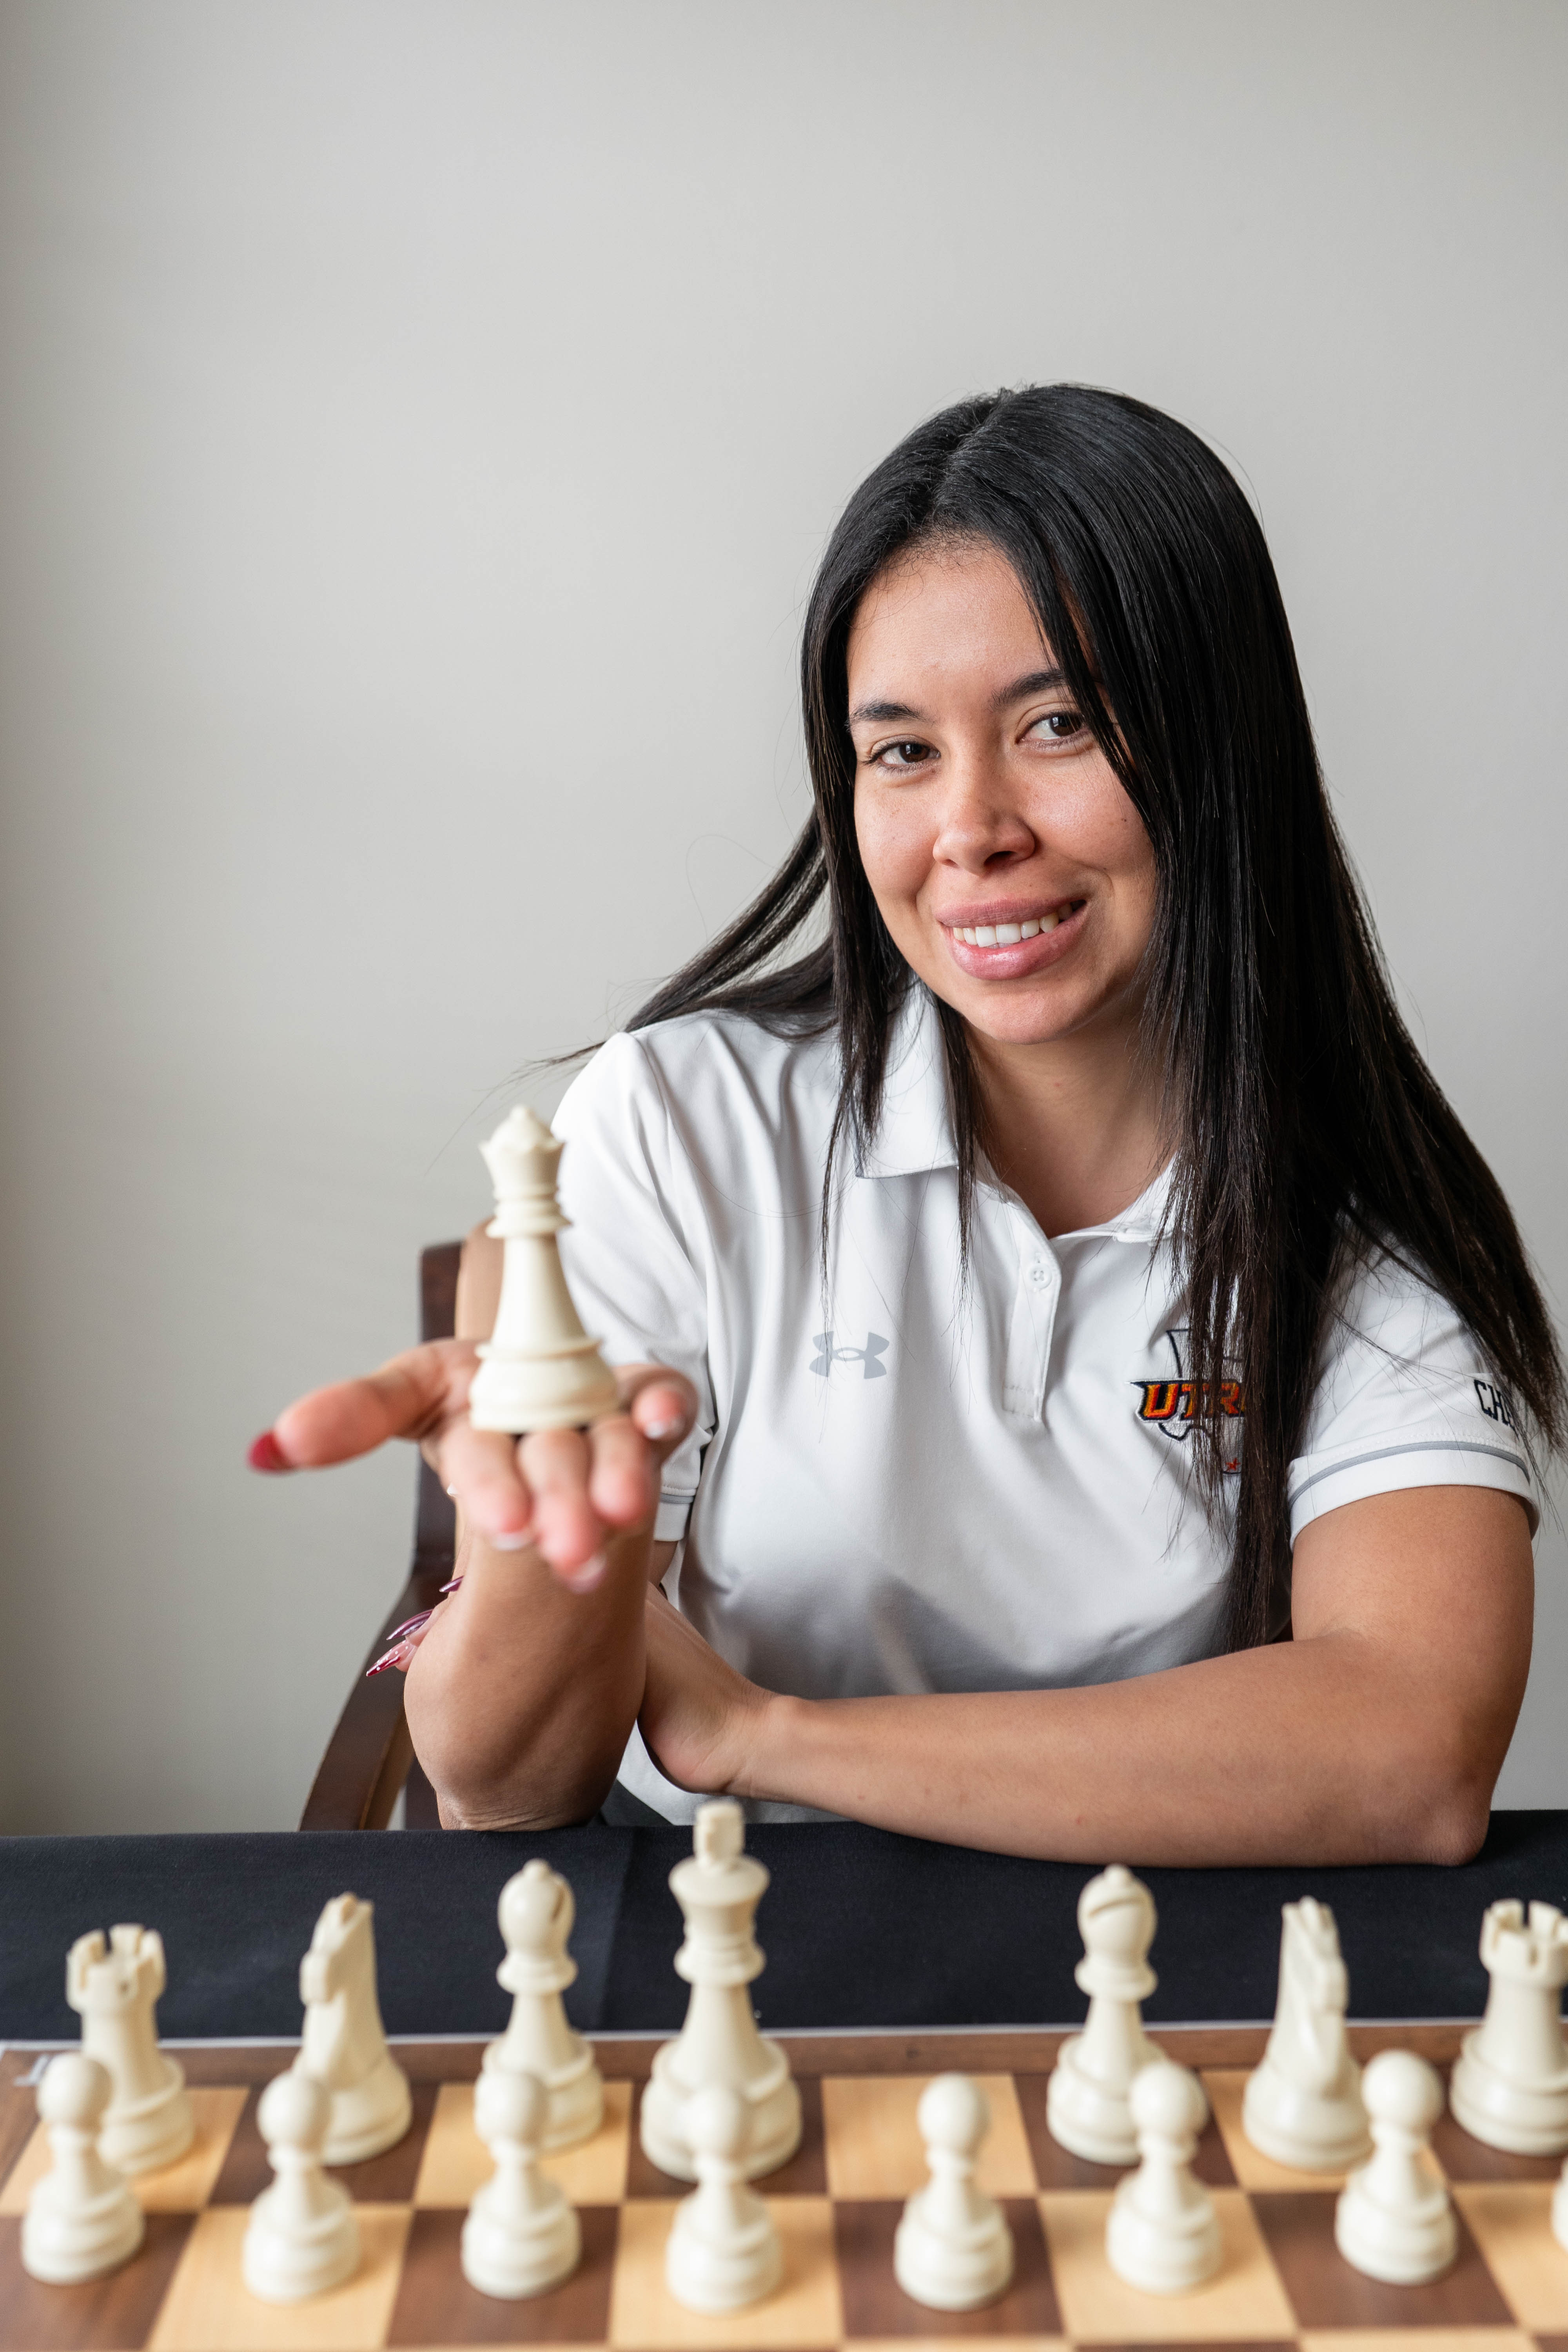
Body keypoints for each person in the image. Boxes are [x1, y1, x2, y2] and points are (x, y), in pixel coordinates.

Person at [254, 386, 1560, 1863]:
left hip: (1170, 1983)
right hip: (719, 1968)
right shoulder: (687, 1121)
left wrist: (765, 1734)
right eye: (902, 753)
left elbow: (1409, 1753)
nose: (972, 830)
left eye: (1057, 723)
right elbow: (502, 1792)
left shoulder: (1361, 1224)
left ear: (1219, 744)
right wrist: (568, 1528)